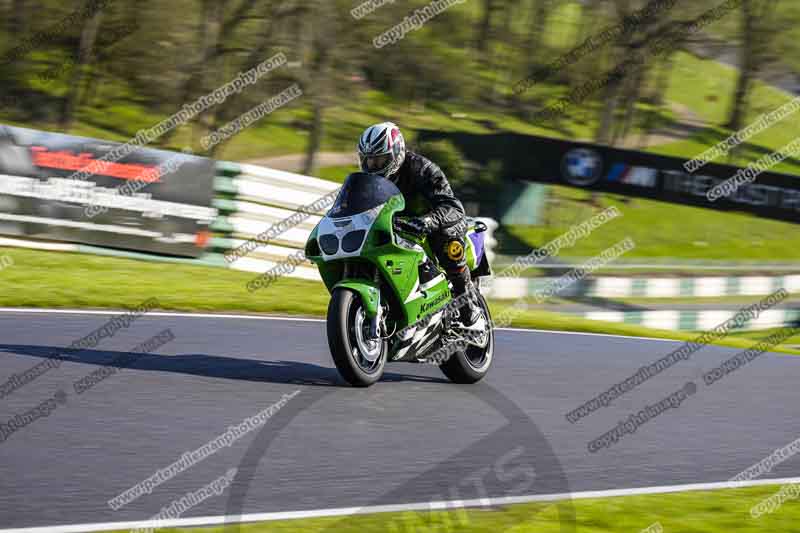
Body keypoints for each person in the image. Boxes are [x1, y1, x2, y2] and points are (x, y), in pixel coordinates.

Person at [356, 121, 482, 328]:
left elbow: (453, 206)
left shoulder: (422, 168)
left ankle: (467, 304)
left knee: (448, 244)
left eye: (379, 160)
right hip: (396, 228)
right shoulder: (366, 181)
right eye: (368, 161)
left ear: (396, 153)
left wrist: (429, 220)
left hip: (432, 223)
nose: (373, 166)